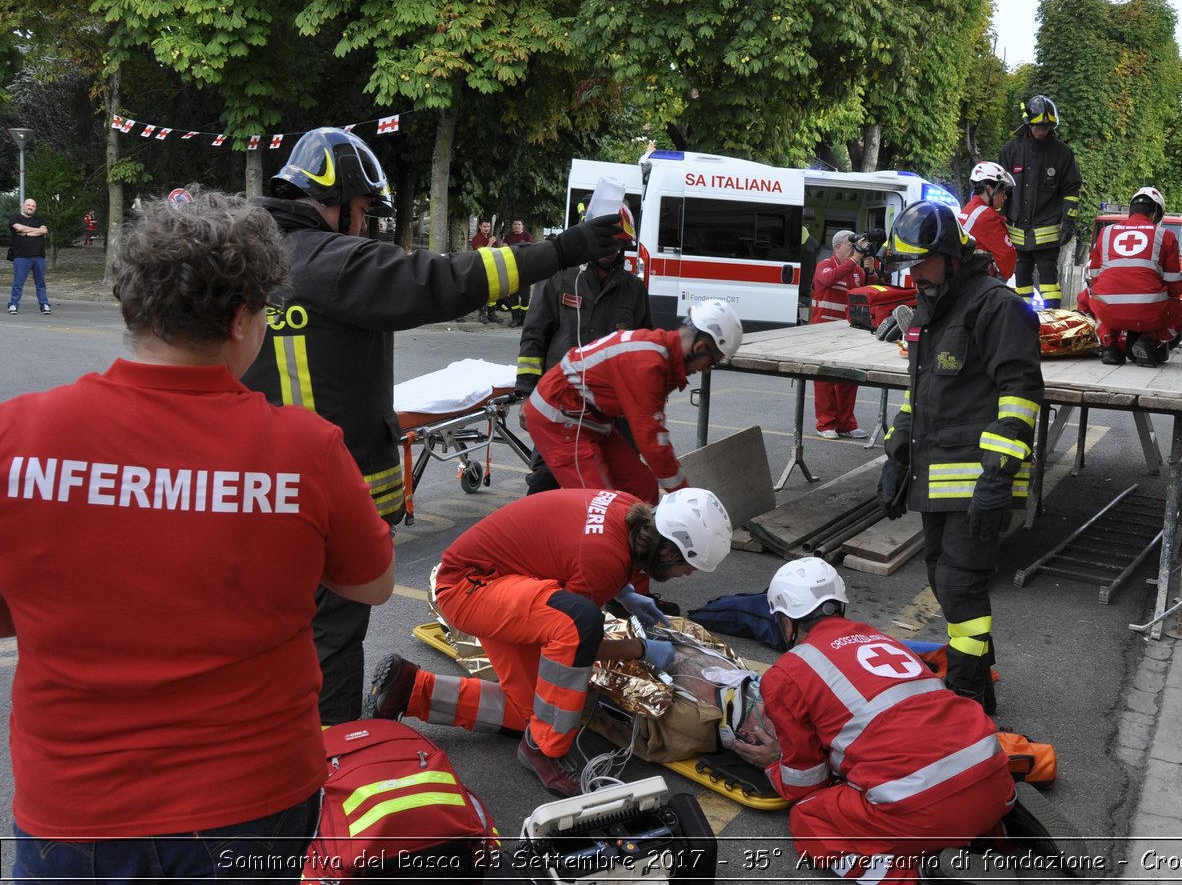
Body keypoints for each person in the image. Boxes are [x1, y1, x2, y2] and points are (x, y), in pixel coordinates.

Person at [0, 192, 394, 881]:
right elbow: (372, 582)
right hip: (252, 799)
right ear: (241, 319)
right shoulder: (305, 448)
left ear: (136, 307)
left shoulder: (18, 436)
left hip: (73, 805)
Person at [240, 127, 626, 724]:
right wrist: (563, 249)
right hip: (326, 503)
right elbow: (446, 280)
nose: (364, 225)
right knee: (332, 643)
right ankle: (334, 766)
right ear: (335, 199)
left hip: (254, 497)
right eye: (364, 211)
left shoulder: (241, 258)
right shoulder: (326, 259)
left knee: (271, 635)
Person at [365, 487, 732, 796]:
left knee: (534, 712)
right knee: (578, 626)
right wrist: (641, 650)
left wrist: (625, 594)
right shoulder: (605, 559)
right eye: (688, 567)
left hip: (501, 582)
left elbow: (578, 552)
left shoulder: (628, 510)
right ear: (667, 552)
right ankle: (544, 749)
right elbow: (576, 643)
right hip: (471, 588)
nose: (685, 575)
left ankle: (412, 691)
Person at [729, 558, 1015, 884]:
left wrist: (773, 763)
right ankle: (998, 832)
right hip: (993, 774)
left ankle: (921, 873)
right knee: (953, 799)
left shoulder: (786, 674)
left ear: (785, 621)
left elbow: (804, 783)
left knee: (809, 820)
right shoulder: (884, 641)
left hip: (924, 809)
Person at [877, 202, 1043, 711]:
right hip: (938, 475)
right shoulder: (935, 306)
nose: (915, 276)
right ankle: (980, 686)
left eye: (922, 263)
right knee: (940, 577)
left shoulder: (996, 306)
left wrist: (998, 476)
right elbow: (919, 390)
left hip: (980, 478)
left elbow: (1021, 393)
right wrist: (898, 453)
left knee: (959, 585)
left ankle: (967, 694)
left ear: (950, 255)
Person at [524, 298, 743, 504]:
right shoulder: (648, 365)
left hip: (589, 420)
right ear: (700, 348)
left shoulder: (661, 355)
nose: (706, 369)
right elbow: (653, 443)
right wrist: (686, 500)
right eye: (711, 362)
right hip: (558, 419)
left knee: (643, 488)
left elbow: (654, 438)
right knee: (601, 505)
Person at [514, 235, 653, 491]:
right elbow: (534, 338)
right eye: (605, 240)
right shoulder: (561, 279)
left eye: (616, 243)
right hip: (561, 404)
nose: (610, 248)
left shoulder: (633, 290)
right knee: (546, 484)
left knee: (620, 490)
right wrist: (526, 394)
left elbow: (644, 353)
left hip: (615, 413)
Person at [1081, 186, 1182, 368]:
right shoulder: (1166, 235)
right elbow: (1175, 287)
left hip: (1110, 312)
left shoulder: (1106, 232)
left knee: (1089, 299)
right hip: (1150, 314)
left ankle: (1109, 344)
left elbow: (1094, 276)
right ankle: (1149, 340)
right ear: (1155, 213)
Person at [997, 94, 1081, 307]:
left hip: (1047, 231)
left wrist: (1068, 222)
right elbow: (1000, 187)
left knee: (1048, 280)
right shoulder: (1011, 150)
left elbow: (1071, 190)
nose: (1042, 131)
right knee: (1022, 278)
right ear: (1028, 124)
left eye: (1046, 127)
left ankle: (1052, 321)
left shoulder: (1062, 153)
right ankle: (1023, 320)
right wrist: (998, 220)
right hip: (1016, 232)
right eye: (1038, 127)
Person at [811, 230, 870, 440]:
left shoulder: (858, 271)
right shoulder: (824, 265)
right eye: (850, 245)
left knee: (849, 379)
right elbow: (829, 280)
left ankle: (846, 423)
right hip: (824, 331)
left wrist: (869, 270)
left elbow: (863, 295)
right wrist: (855, 260)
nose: (854, 249)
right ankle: (825, 423)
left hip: (848, 333)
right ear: (837, 247)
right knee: (825, 379)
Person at [958, 162, 1018, 281]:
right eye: (1002, 191)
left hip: (964, 279)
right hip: (978, 282)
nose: (1005, 197)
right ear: (990, 189)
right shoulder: (986, 217)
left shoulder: (969, 209)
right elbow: (1007, 256)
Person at [8, 197, 49, 315]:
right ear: (23, 206)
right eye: (28, 205)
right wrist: (36, 231)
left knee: (40, 282)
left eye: (33, 206)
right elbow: (19, 228)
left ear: (35, 208)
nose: (30, 207)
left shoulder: (40, 219)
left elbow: (44, 231)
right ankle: (14, 305)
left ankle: (44, 305)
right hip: (21, 256)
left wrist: (25, 233)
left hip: (39, 256)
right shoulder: (15, 218)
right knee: (18, 283)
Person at [503, 218, 536, 326]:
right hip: (511, 270)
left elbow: (529, 248)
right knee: (513, 296)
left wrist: (513, 247)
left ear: (522, 226)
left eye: (519, 224)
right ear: (512, 226)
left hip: (524, 270)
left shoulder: (527, 236)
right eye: (515, 224)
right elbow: (504, 249)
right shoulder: (508, 237)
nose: (517, 226)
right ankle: (515, 319)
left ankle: (524, 318)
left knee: (525, 297)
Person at [471, 220, 504, 323]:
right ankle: (482, 315)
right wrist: (490, 242)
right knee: (483, 292)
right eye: (484, 226)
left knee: (493, 292)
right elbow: (482, 253)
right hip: (481, 268)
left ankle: (492, 314)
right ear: (480, 226)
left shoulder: (491, 237)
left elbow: (498, 251)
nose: (486, 229)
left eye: (488, 227)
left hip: (493, 267)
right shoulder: (477, 238)